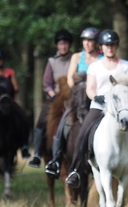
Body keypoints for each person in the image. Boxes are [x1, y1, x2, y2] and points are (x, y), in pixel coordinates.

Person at [64, 29, 128, 188]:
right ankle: (75, 170)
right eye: (107, 45)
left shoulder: (125, 65)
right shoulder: (95, 67)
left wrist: (126, 95)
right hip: (99, 106)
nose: (110, 48)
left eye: (113, 45)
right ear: (102, 46)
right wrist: (96, 97)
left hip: (121, 106)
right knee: (83, 132)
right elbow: (89, 89)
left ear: (117, 46)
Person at [44, 27, 102, 178]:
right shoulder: (77, 57)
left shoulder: (102, 58)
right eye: (85, 40)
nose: (87, 44)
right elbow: (70, 78)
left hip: (97, 98)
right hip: (79, 97)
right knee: (62, 123)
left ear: (96, 43)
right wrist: (78, 90)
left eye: (90, 41)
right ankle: (56, 159)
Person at [28, 29, 74, 168]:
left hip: (73, 97)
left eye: (66, 43)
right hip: (56, 97)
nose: (63, 46)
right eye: (61, 44)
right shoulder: (52, 62)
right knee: (42, 120)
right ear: (57, 46)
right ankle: (37, 153)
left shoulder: (75, 59)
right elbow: (47, 84)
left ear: (69, 45)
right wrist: (55, 96)